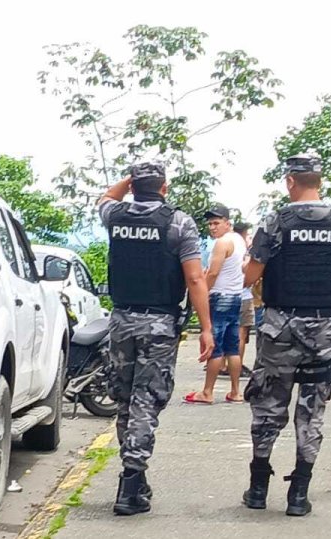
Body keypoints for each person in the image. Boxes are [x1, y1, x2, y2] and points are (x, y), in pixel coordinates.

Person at [241, 152, 331, 517]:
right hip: (324, 331)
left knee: (268, 406)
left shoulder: (277, 220)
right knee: (311, 411)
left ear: (290, 182)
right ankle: (299, 494)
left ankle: (258, 487)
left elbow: (250, 276)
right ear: (320, 180)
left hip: (279, 329)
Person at [98, 162, 215, 516]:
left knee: (125, 400)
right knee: (146, 401)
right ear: (164, 188)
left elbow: (103, 197)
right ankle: (131, 482)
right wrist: (206, 327)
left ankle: (135, 478)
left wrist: (127, 183)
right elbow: (195, 279)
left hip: (121, 321)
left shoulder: (115, 215)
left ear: (134, 186)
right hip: (159, 324)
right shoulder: (178, 222)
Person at [185, 204, 247, 404]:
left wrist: (202, 294)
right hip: (236, 296)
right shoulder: (238, 239)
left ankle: (207, 392)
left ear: (227, 223)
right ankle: (236, 391)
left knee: (216, 346)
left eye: (216, 223)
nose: (212, 227)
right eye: (210, 224)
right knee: (233, 347)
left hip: (220, 297)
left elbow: (212, 273)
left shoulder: (222, 243)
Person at [235, 220, 256, 376]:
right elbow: (249, 277)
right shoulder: (245, 251)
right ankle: (237, 365)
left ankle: (223, 364)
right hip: (244, 295)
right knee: (242, 334)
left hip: (226, 295)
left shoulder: (222, 245)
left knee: (226, 332)